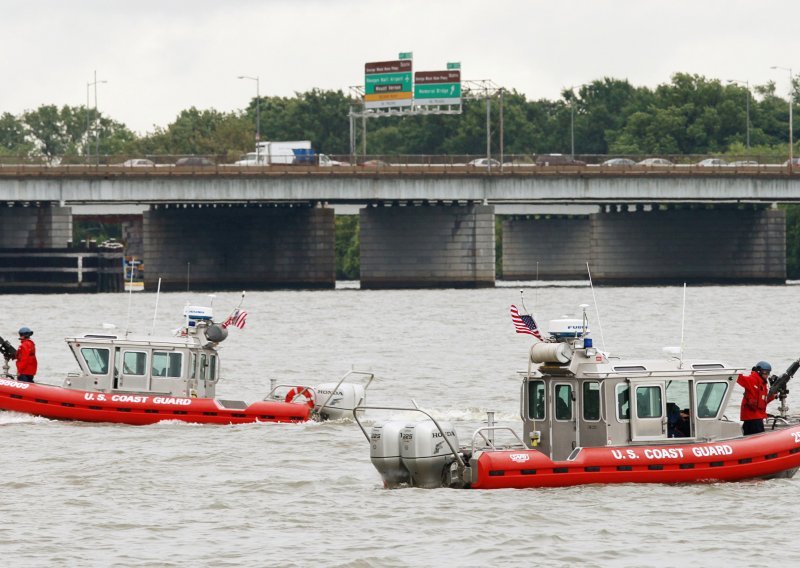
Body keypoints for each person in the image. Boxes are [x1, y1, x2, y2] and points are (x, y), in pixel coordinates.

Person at [737, 361, 775, 435]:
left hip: (758, 417)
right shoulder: (751, 379)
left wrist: (774, 395)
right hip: (751, 418)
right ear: (759, 371)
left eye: (768, 372)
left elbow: (763, 401)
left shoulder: (763, 385)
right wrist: (733, 372)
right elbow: (738, 378)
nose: (767, 375)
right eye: (765, 372)